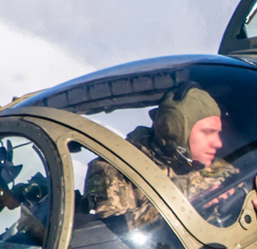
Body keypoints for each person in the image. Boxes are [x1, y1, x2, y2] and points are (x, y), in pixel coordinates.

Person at [83, 82, 237, 227]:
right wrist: (188, 203)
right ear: (173, 130)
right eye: (207, 132)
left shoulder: (221, 170)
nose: (218, 143)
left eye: (218, 133)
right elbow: (114, 237)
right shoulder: (115, 169)